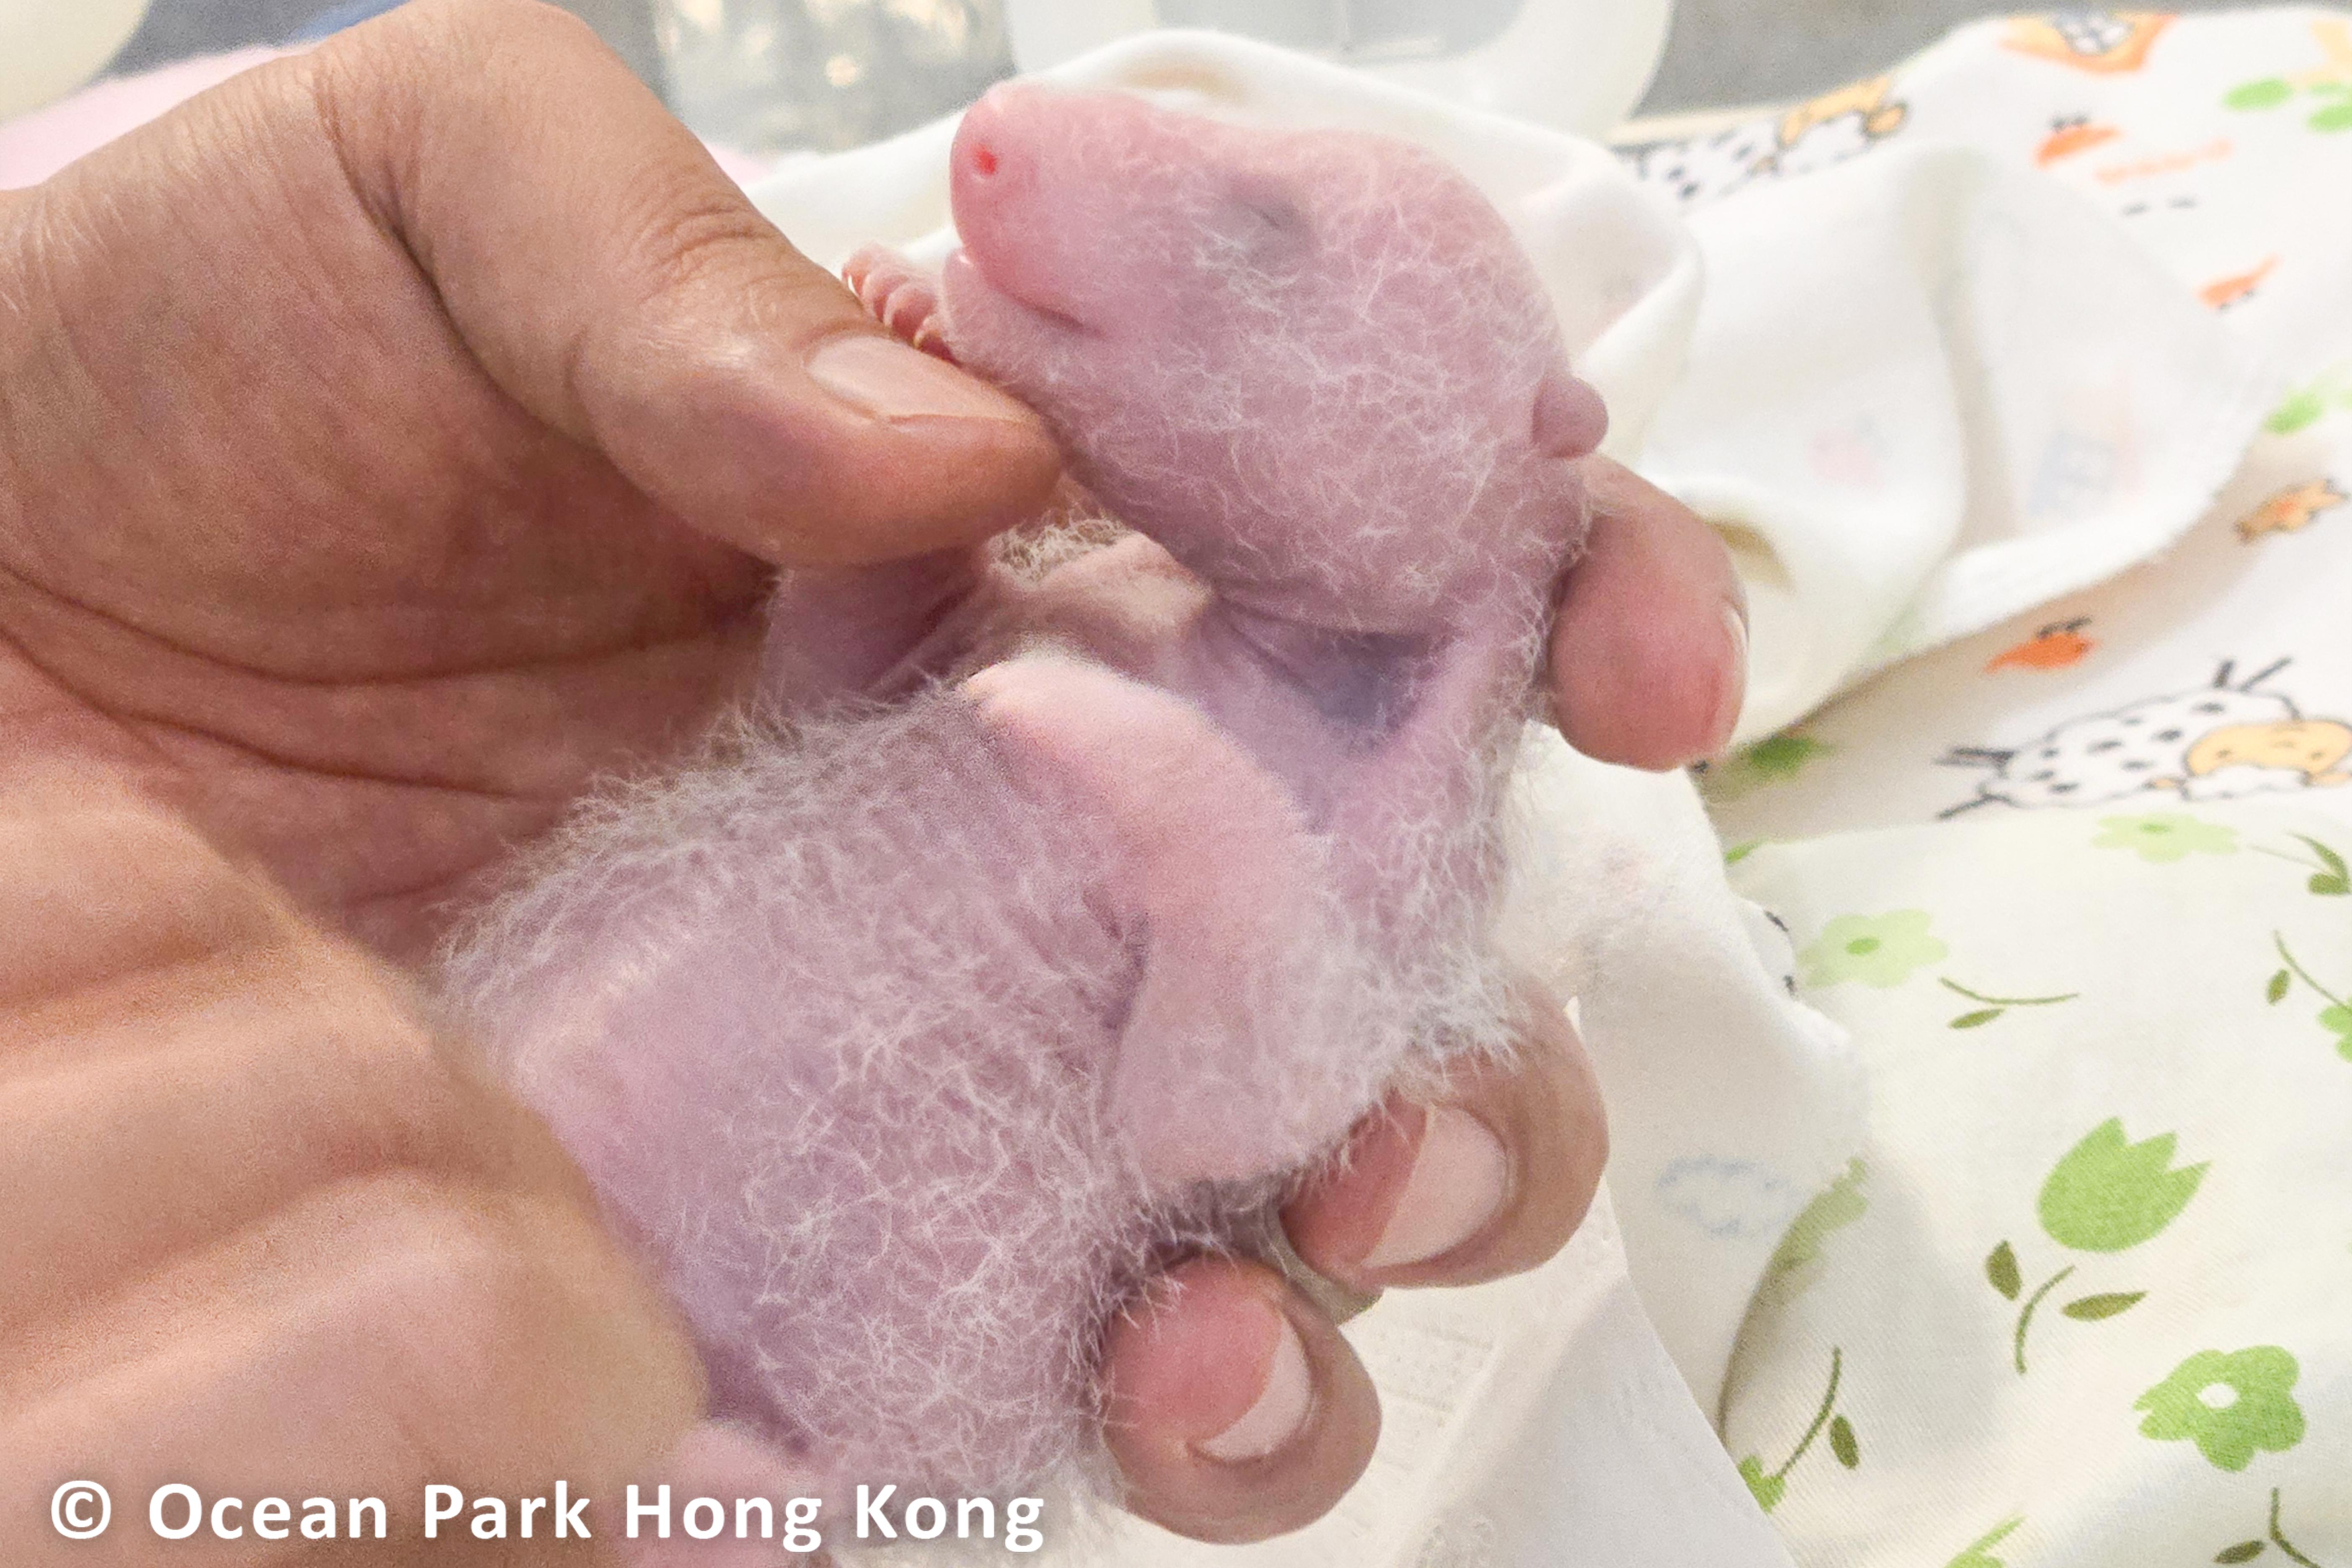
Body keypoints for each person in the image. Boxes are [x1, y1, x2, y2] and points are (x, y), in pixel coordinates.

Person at [0, 0, 1746, 1550]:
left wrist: (1179, 812)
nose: (1013, 161)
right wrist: (892, 545)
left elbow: (1247, 1100)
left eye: (1260, 242)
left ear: (1522, 436)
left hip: (758, 1413)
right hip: (452, 1152)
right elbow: (855, 698)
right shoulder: (1131, 610)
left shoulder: (1380, 817)